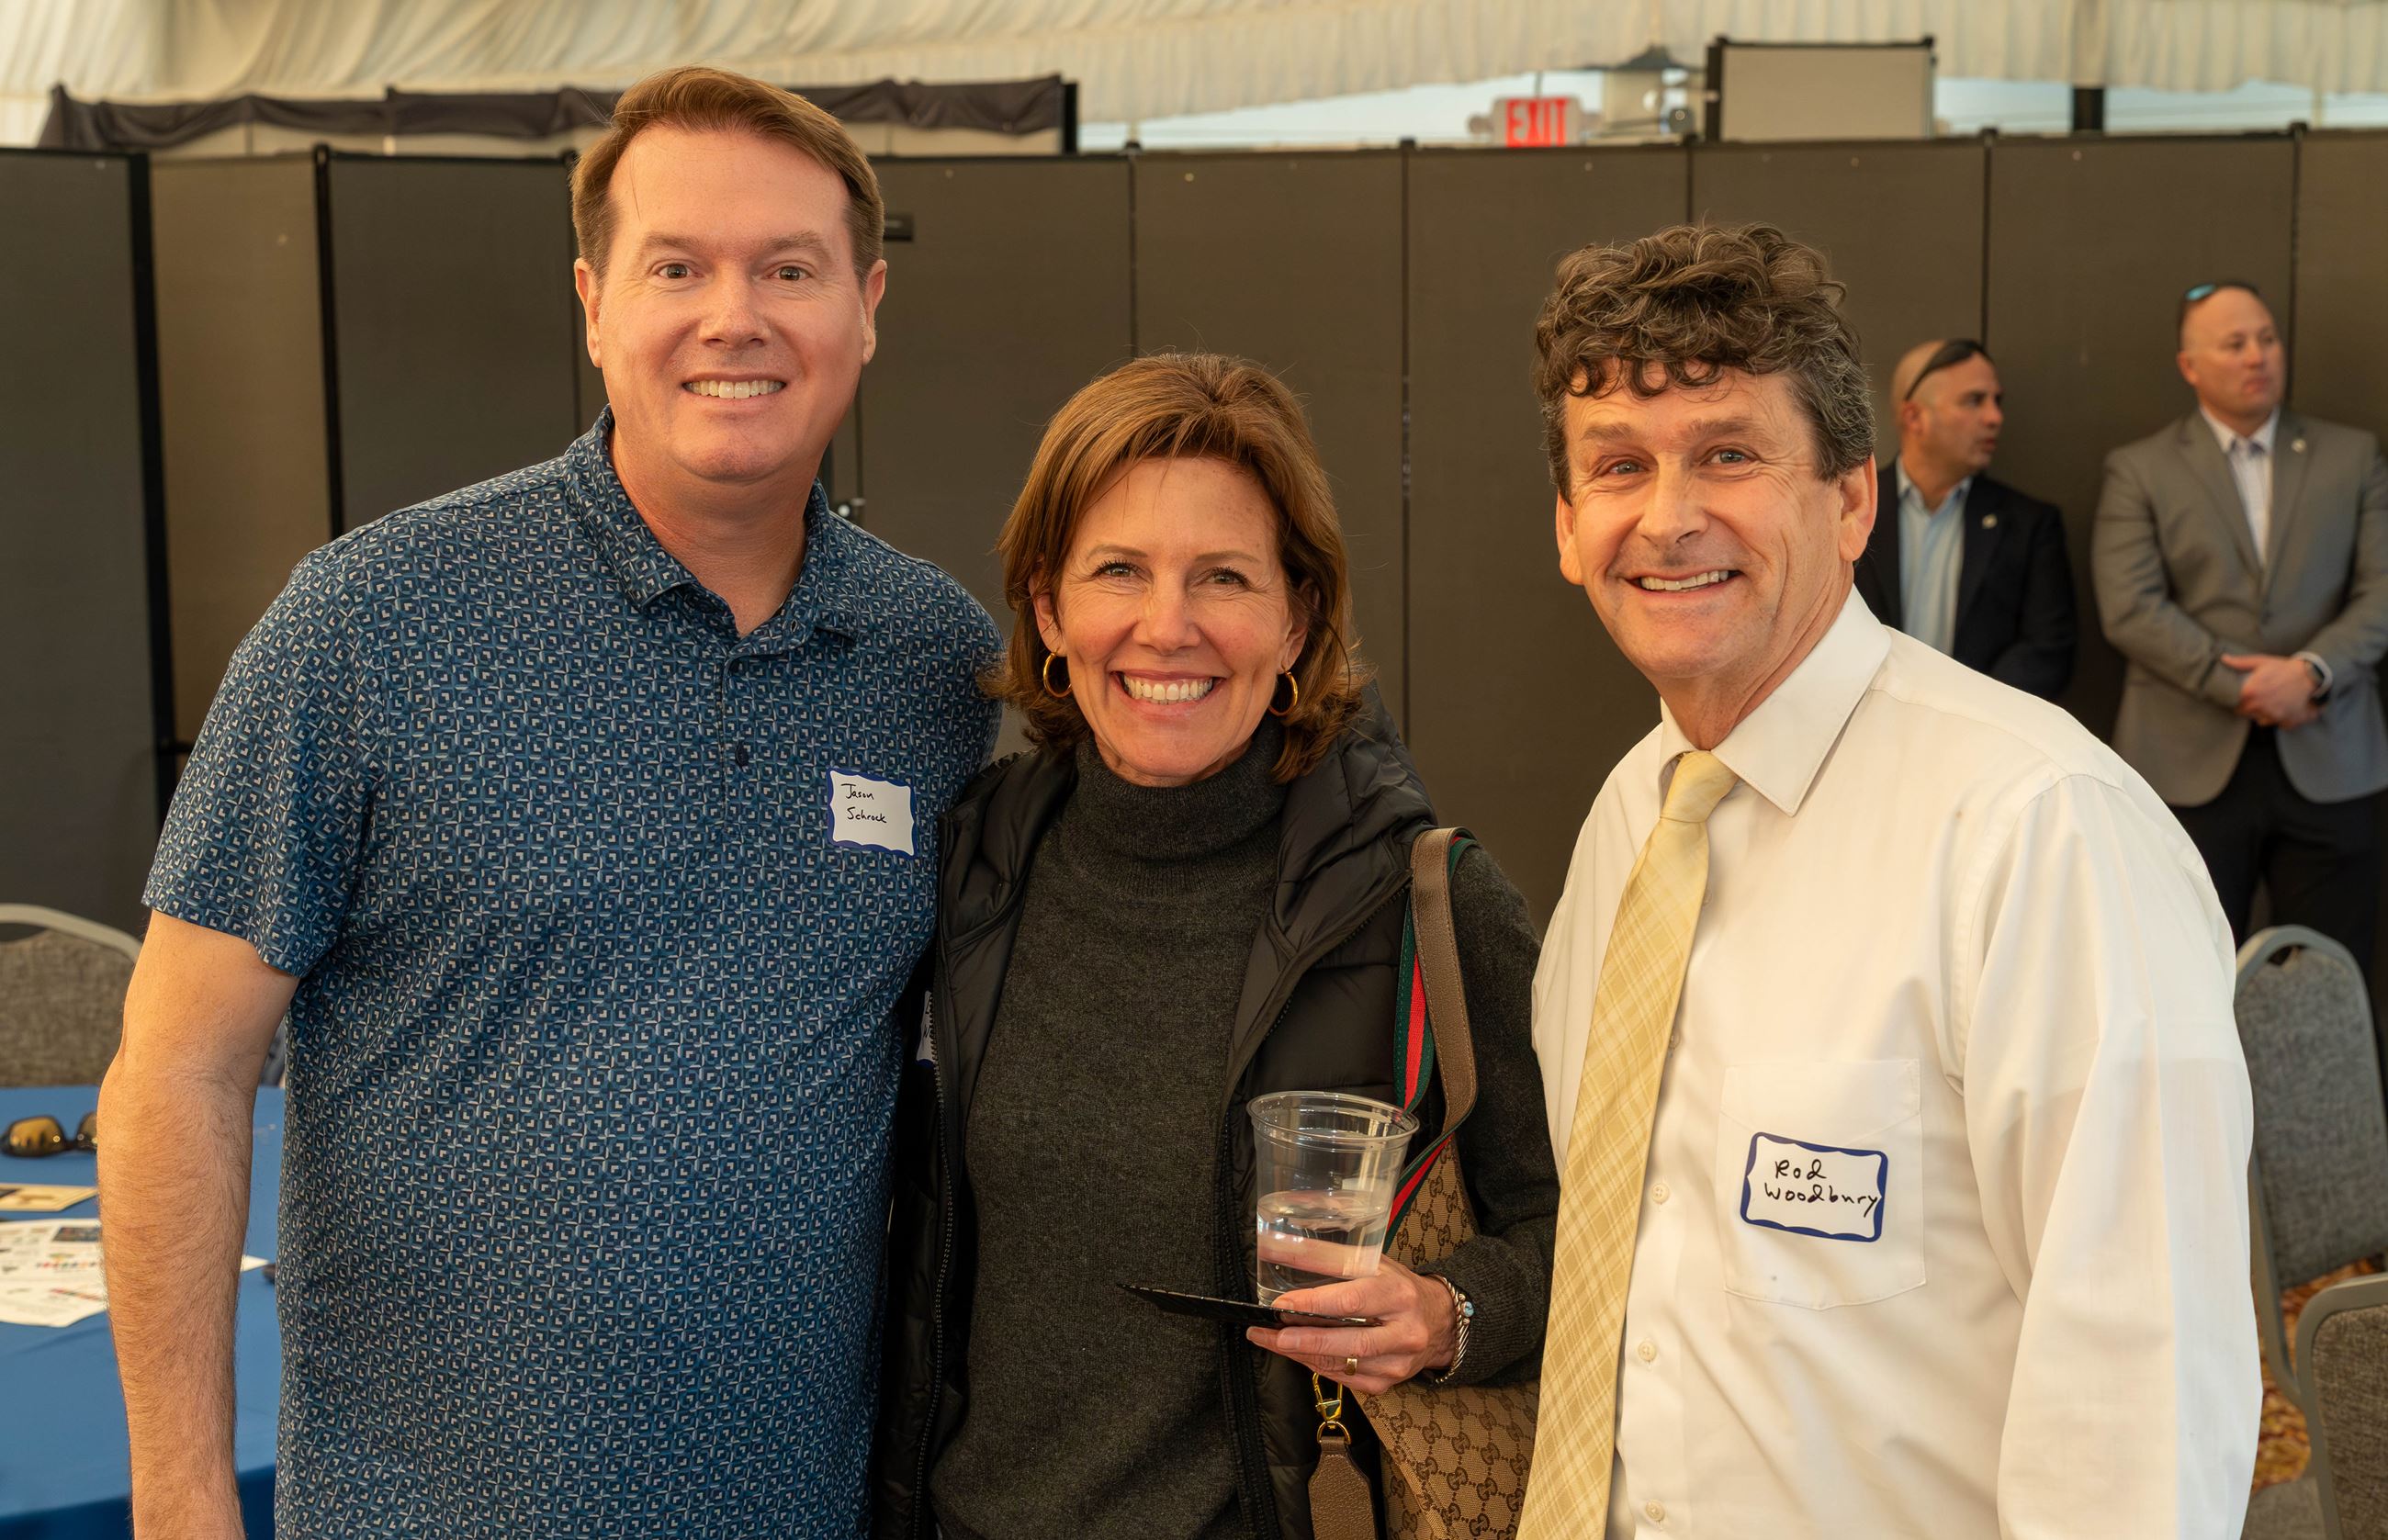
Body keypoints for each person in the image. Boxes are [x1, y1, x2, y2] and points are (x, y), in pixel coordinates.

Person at [98, 66, 997, 1538]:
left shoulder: (935, 664)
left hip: (804, 1509)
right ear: (592, 302)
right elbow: (179, 1067)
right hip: (422, 1508)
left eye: (789, 267)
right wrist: (183, 1498)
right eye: (677, 267)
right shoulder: (372, 624)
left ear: (867, 305)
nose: (735, 315)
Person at [1520, 224, 2258, 1538]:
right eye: (1618, 466)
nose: (1669, 513)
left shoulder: (2043, 832)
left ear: (1852, 499)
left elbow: (2142, 1400)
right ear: (1571, 531)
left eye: (1729, 453)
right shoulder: (1632, 820)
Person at [871, 353, 1558, 1540]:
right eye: (1118, 571)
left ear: (1298, 615)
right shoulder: (974, 864)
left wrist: (1451, 1312)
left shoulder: (1422, 899)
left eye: (1223, 576)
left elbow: (1591, 1232)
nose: (1167, 625)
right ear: (1047, 608)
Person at [2094, 280, 2388, 973]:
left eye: (2267, 337)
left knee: (2327, 989)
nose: (2258, 355)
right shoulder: (2140, 468)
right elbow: (2130, 606)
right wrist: (2249, 687)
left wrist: (2310, 673)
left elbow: (2381, 591)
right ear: (2190, 365)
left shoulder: (2353, 455)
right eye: (2234, 344)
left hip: (2332, 754)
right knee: (2184, 981)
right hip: (2186, 764)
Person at [1852, 338, 2076, 698]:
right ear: (1914, 417)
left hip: (1981, 739)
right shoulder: (1847, 510)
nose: (1994, 417)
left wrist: (1968, 711)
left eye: (1996, 401)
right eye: (1974, 401)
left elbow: (2047, 649)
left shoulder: (2030, 525)